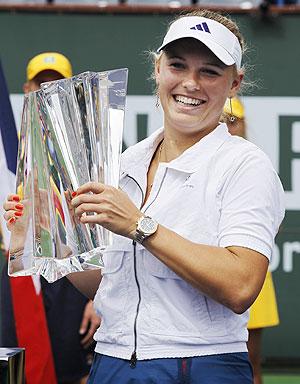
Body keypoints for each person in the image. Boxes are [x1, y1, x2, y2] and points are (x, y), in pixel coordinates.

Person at [4, 12, 285, 383]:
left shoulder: (246, 165)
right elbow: (110, 284)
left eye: (210, 71)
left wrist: (140, 226)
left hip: (199, 363)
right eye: (178, 65)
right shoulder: (125, 162)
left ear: (235, 83)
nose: (190, 83)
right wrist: (49, 239)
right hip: (113, 360)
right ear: (157, 69)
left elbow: (241, 286)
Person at [1, 52, 100, 384]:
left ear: (71, 92)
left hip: (72, 276)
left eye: (56, 86)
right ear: (27, 89)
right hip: (19, 272)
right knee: (17, 370)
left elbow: (102, 232)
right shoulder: (9, 152)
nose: (46, 92)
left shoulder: (90, 152)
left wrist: (97, 299)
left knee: (74, 371)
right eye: (40, 84)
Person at [224, 96, 280, 384]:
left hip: (251, 273)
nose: (228, 127)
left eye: (233, 121)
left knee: (249, 367)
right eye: (223, 121)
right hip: (211, 273)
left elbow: (272, 225)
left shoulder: (256, 165)